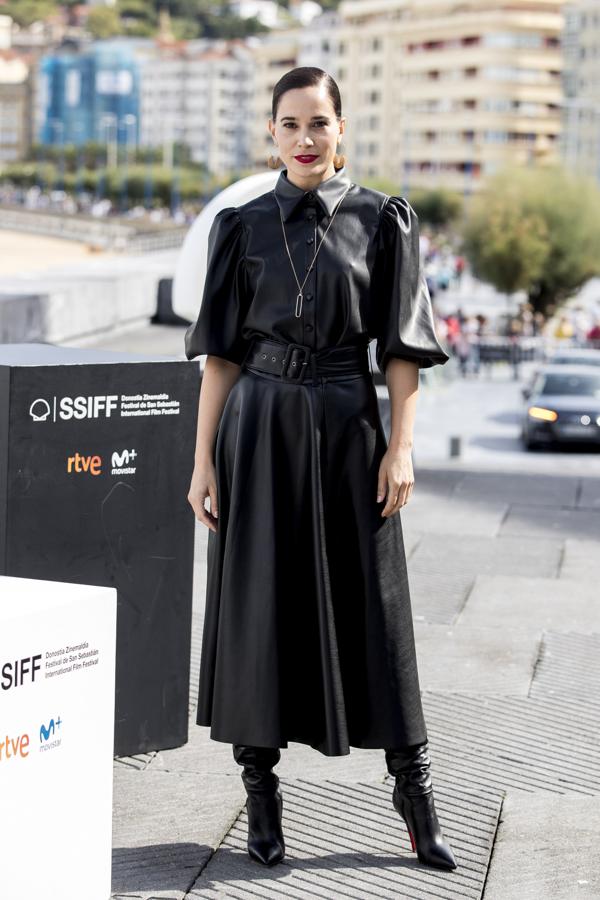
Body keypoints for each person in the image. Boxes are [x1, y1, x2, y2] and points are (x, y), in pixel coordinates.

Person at [185, 66, 457, 872]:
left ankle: (418, 801)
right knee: (258, 608)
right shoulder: (239, 226)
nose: (306, 141)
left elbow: (403, 354)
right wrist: (202, 459)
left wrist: (400, 446)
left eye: (320, 125)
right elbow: (222, 359)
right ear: (271, 132)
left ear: (343, 130)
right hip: (257, 429)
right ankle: (262, 799)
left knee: (377, 609)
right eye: (291, 125)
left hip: (348, 430)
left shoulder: (383, 221)